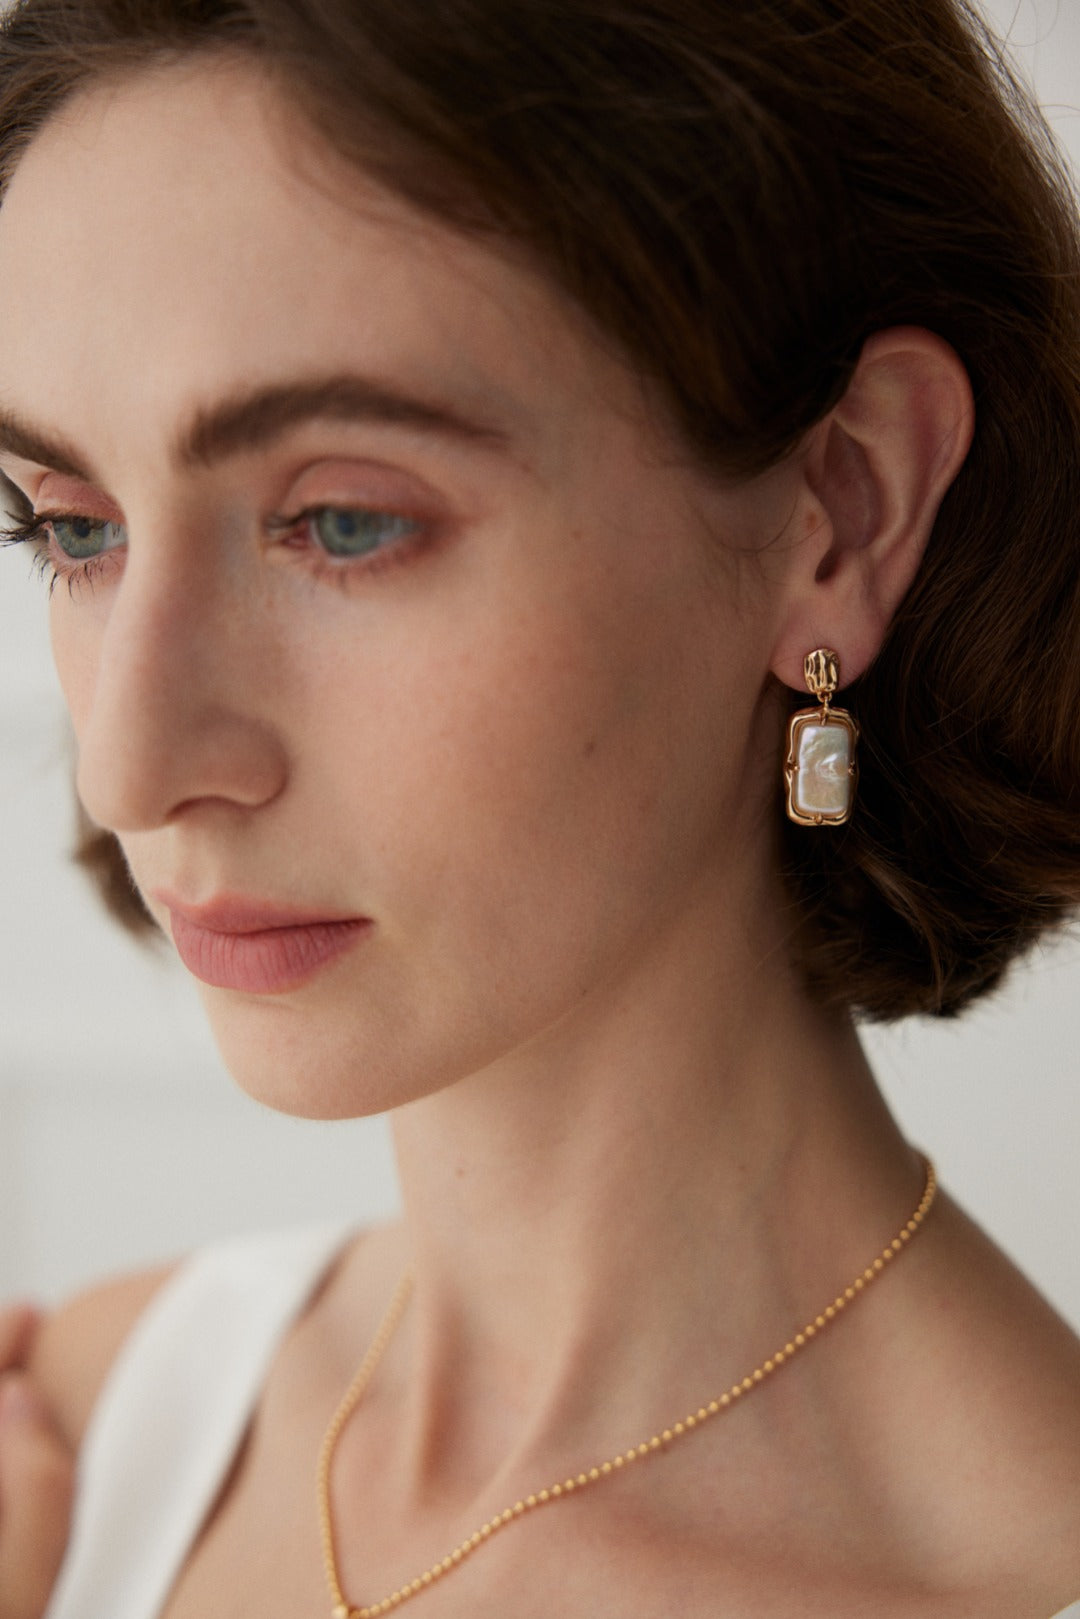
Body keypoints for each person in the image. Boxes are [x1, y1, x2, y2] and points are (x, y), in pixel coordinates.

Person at [0, 0, 1078, 1615]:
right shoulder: (79, 1447)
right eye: (71, 533)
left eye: (345, 521)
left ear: (842, 508)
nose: (128, 765)